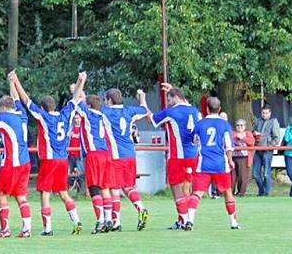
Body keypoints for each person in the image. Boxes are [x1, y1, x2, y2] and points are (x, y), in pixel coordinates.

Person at [10, 71, 83, 236]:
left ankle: (48, 228)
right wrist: (81, 81)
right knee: (63, 193)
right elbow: (75, 99)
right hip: (63, 159)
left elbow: (26, 101)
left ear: (43, 107)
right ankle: (77, 221)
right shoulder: (65, 114)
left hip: (49, 160)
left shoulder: (44, 117)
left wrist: (16, 81)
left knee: (45, 192)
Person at [0, 72, 38, 239]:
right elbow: (16, 98)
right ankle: (27, 229)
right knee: (21, 196)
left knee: (1, 194)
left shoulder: (4, 118)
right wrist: (12, 82)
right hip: (24, 161)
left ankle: (5, 229)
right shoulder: (21, 114)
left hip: (10, 162)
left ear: (2, 108)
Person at [184, 97, 240, 231]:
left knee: (197, 193)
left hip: (203, 164)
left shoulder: (200, 124)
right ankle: (233, 223)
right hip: (220, 164)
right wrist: (230, 160)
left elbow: (195, 141)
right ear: (219, 109)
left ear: (207, 109)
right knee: (228, 192)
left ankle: (190, 220)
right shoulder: (225, 125)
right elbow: (229, 146)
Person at [151, 83, 202, 230]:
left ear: (175, 98)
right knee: (186, 189)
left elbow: (151, 119)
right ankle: (182, 220)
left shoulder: (171, 112)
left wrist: (142, 102)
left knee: (176, 189)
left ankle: (185, 221)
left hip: (177, 156)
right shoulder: (195, 110)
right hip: (193, 155)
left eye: (169, 99)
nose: (168, 103)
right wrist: (173, 89)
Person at [73, 74, 118, 234]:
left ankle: (99, 221)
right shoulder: (102, 113)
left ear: (88, 105)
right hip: (105, 153)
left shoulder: (87, 113)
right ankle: (108, 219)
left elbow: (75, 99)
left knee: (94, 188)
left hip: (93, 155)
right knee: (105, 187)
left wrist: (80, 82)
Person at [102, 87, 150, 232]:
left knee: (115, 189)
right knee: (128, 186)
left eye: (106, 100)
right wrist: (142, 95)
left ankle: (116, 222)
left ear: (109, 100)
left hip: (116, 156)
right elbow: (144, 109)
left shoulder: (106, 112)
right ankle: (141, 208)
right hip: (130, 154)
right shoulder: (129, 111)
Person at [252, 105, 281, 196]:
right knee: (255, 173)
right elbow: (252, 132)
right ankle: (262, 190)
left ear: (270, 113)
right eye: (263, 113)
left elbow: (277, 138)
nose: (264, 114)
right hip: (257, 150)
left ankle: (266, 193)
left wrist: (268, 146)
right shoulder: (258, 121)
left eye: (266, 113)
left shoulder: (273, 122)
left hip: (267, 151)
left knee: (266, 173)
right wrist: (254, 133)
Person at [230, 119, 255, 196]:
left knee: (242, 176)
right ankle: (231, 192)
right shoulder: (232, 133)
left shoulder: (248, 133)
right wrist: (236, 136)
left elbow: (251, 142)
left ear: (245, 126)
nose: (239, 127)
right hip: (233, 157)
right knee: (232, 177)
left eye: (241, 125)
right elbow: (229, 141)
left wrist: (242, 138)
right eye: (238, 125)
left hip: (244, 157)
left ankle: (241, 192)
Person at [67, 114, 84, 195]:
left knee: (80, 174)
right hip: (70, 155)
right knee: (67, 174)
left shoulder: (83, 129)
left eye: (78, 118)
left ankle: (81, 192)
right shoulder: (70, 129)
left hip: (79, 155)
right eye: (75, 118)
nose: (76, 120)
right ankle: (66, 191)